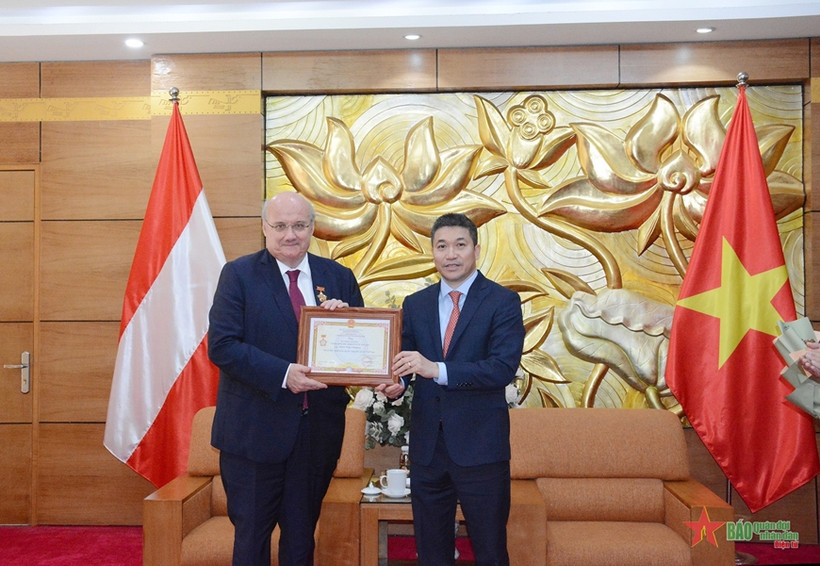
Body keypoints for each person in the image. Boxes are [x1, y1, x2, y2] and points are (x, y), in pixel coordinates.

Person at [208, 191, 364, 566]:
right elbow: (223, 346)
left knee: (301, 538)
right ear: (264, 228)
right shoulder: (238, 275)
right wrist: (283, 375)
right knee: (251, 538)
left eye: (299, 225)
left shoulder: (338, 277)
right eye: (280, 226)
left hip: (315, 436)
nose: (289, 234)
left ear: (312, 228)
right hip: (253, 434)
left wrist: (346, 321)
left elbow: (361, 349)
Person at [380, 212, 525, 566]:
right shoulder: (416, 304)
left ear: (476, 249)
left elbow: (501, 368)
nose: (451, 254)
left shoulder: (502, 302)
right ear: (433, 252)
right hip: (428, 449)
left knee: (490, 547)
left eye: (460, 245)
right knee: (431, 549)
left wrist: (437, 369)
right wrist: (395, 384)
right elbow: (405, 362)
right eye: (442, 246)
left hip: (481, 448)